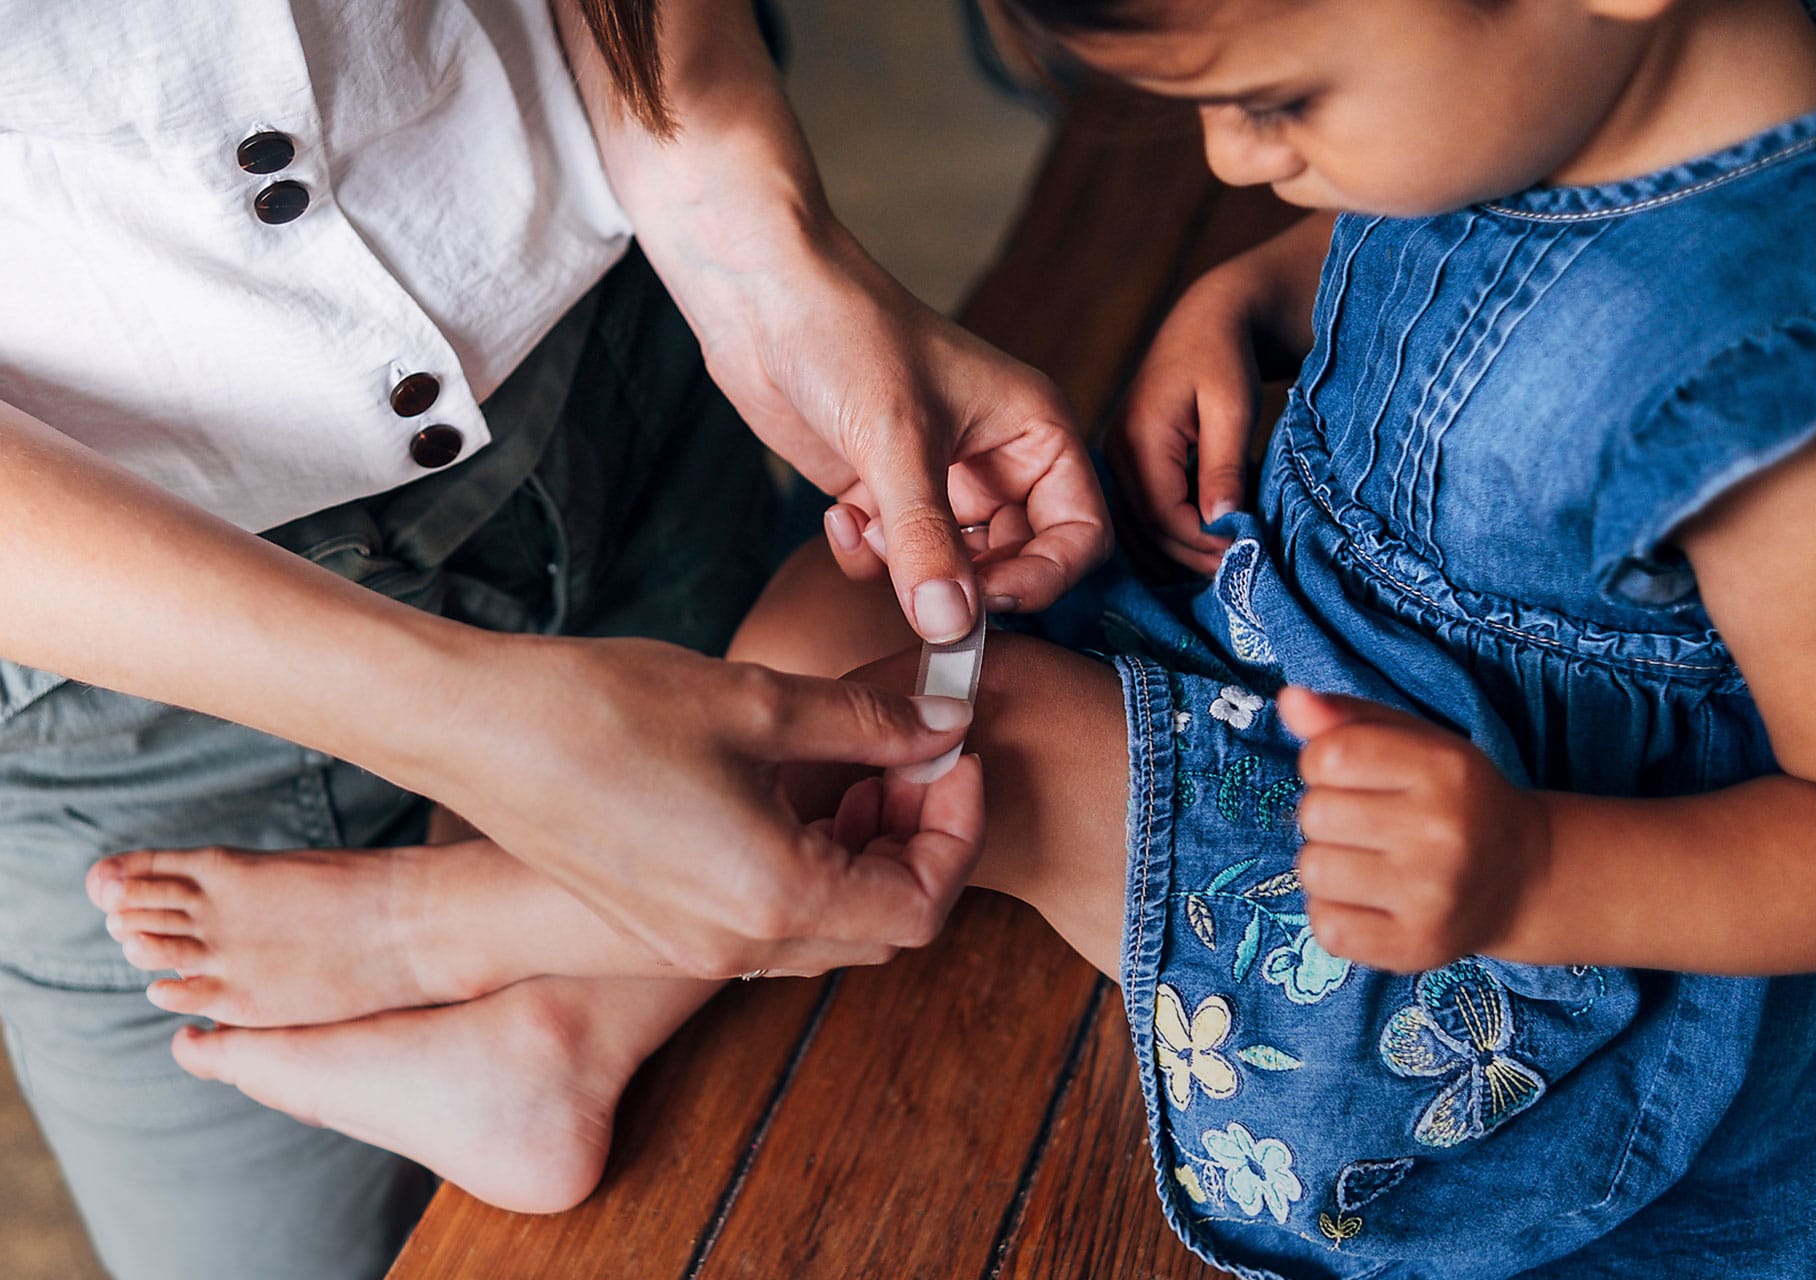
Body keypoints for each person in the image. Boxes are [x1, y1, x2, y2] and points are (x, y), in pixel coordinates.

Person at [85, 0, 1816, 1274]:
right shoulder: (1579, 75)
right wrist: (1250, 295)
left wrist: (1526, 869)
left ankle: (459, 921)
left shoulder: (1789, 408)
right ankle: (566, 1039)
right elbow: (1473, 222)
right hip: (1301, 645)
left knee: (973, 724)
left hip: (1492, 955)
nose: (1244, 157)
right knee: (864, 593)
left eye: (1278, 105)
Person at [0, 1, 1109, 1277]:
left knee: (911, 632)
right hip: (125, 649)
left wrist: (762, 248)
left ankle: (534, 1004)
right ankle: (510, 977)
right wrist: (477, 735)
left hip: (623, 379)